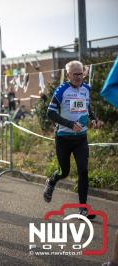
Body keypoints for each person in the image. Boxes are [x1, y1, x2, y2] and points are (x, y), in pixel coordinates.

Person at [43, 60, 101, 219]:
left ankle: (83, 208)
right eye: (74, 74)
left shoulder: (86, 89)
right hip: (63, 138)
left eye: (80, 73)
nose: (78, 77)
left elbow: (87, 108)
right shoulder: (62, 90)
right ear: (68, 75)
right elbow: (50, 113)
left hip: (81, 138)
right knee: (64, 171)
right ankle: (52, 181)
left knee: (83, 170)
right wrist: (69, 124)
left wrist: (94, 119)